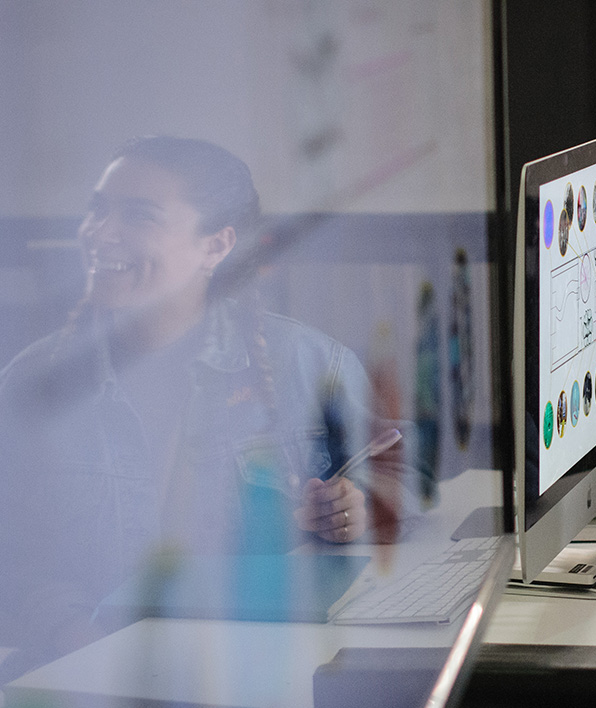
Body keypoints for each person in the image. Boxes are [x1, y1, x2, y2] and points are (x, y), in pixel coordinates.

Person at [0, 136, 401, 679]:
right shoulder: (30, 384)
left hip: (257, 680)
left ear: (215, 247)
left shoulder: (309, 363)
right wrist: (84, 642)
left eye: (138, 216)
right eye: (97, 210)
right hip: (81, 684)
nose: (100, 233)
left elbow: (405, 477)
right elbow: (12, 563)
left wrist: (358, 506)